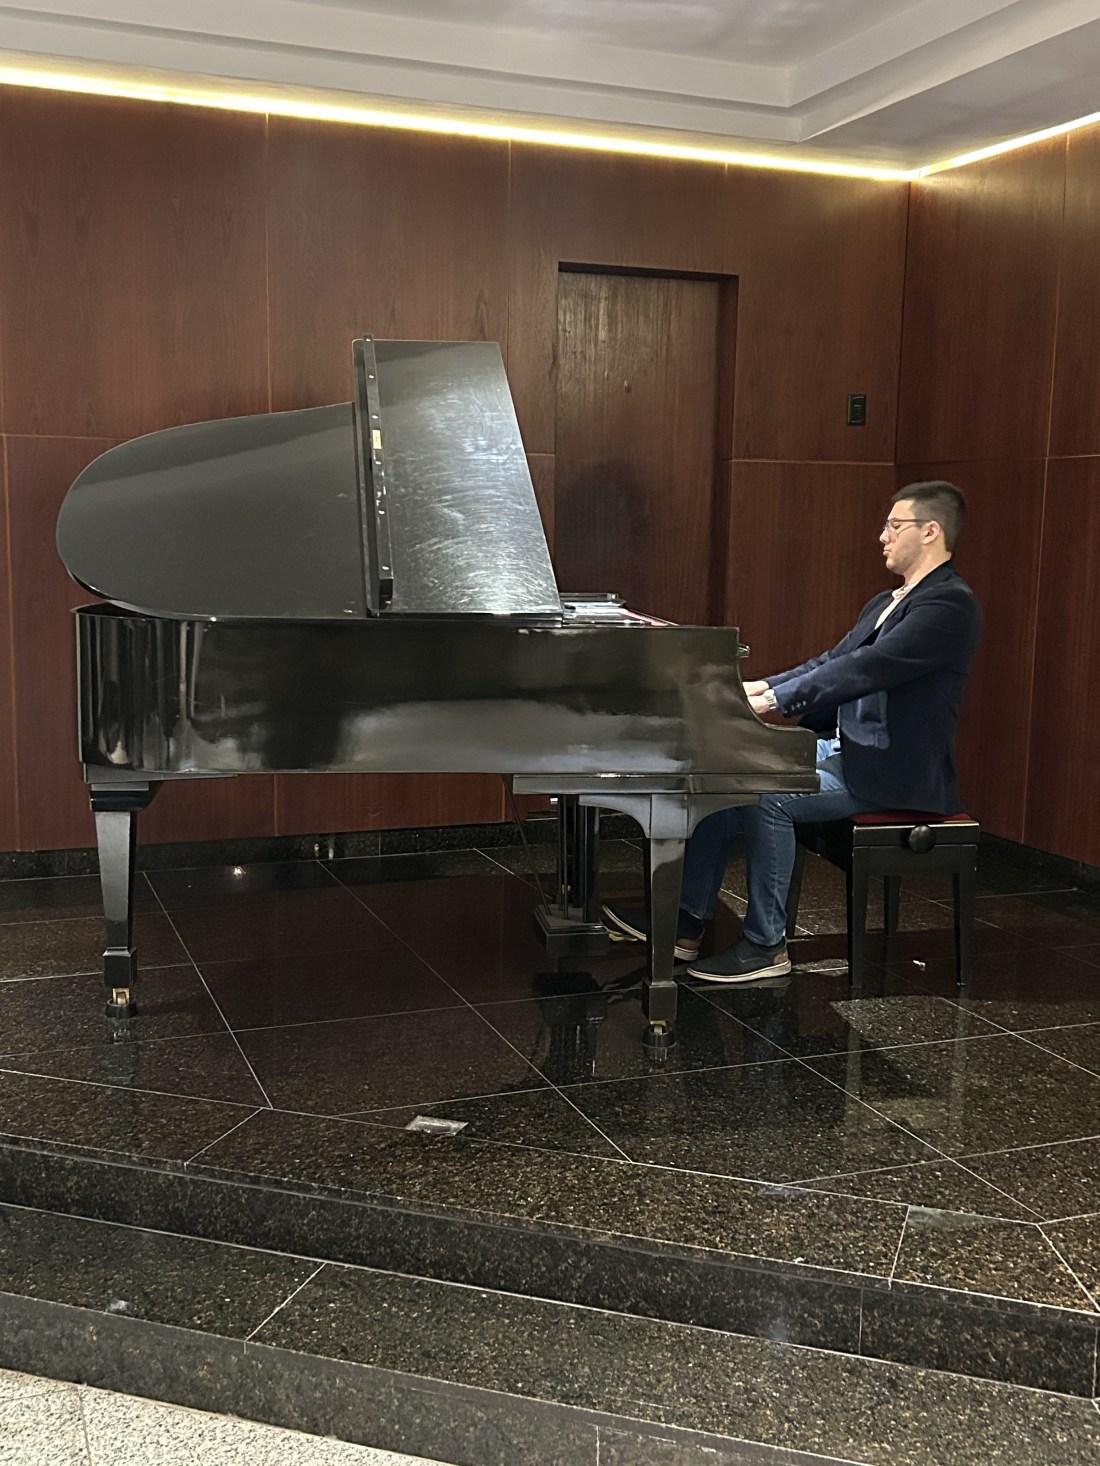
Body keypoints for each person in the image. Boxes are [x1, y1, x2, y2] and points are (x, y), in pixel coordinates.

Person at [603, 480, 982, 984]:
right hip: (847, 748)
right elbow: (830, 662)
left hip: (895, 769)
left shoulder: (949, 606)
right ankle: (685, 923)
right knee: (726, 778)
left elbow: (866, 668)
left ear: (930, 531)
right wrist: (757, 687)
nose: (882, 536)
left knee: (769, 796)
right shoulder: (887, 601)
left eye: (894, 525)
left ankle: (766, 945)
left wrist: (774, 702)